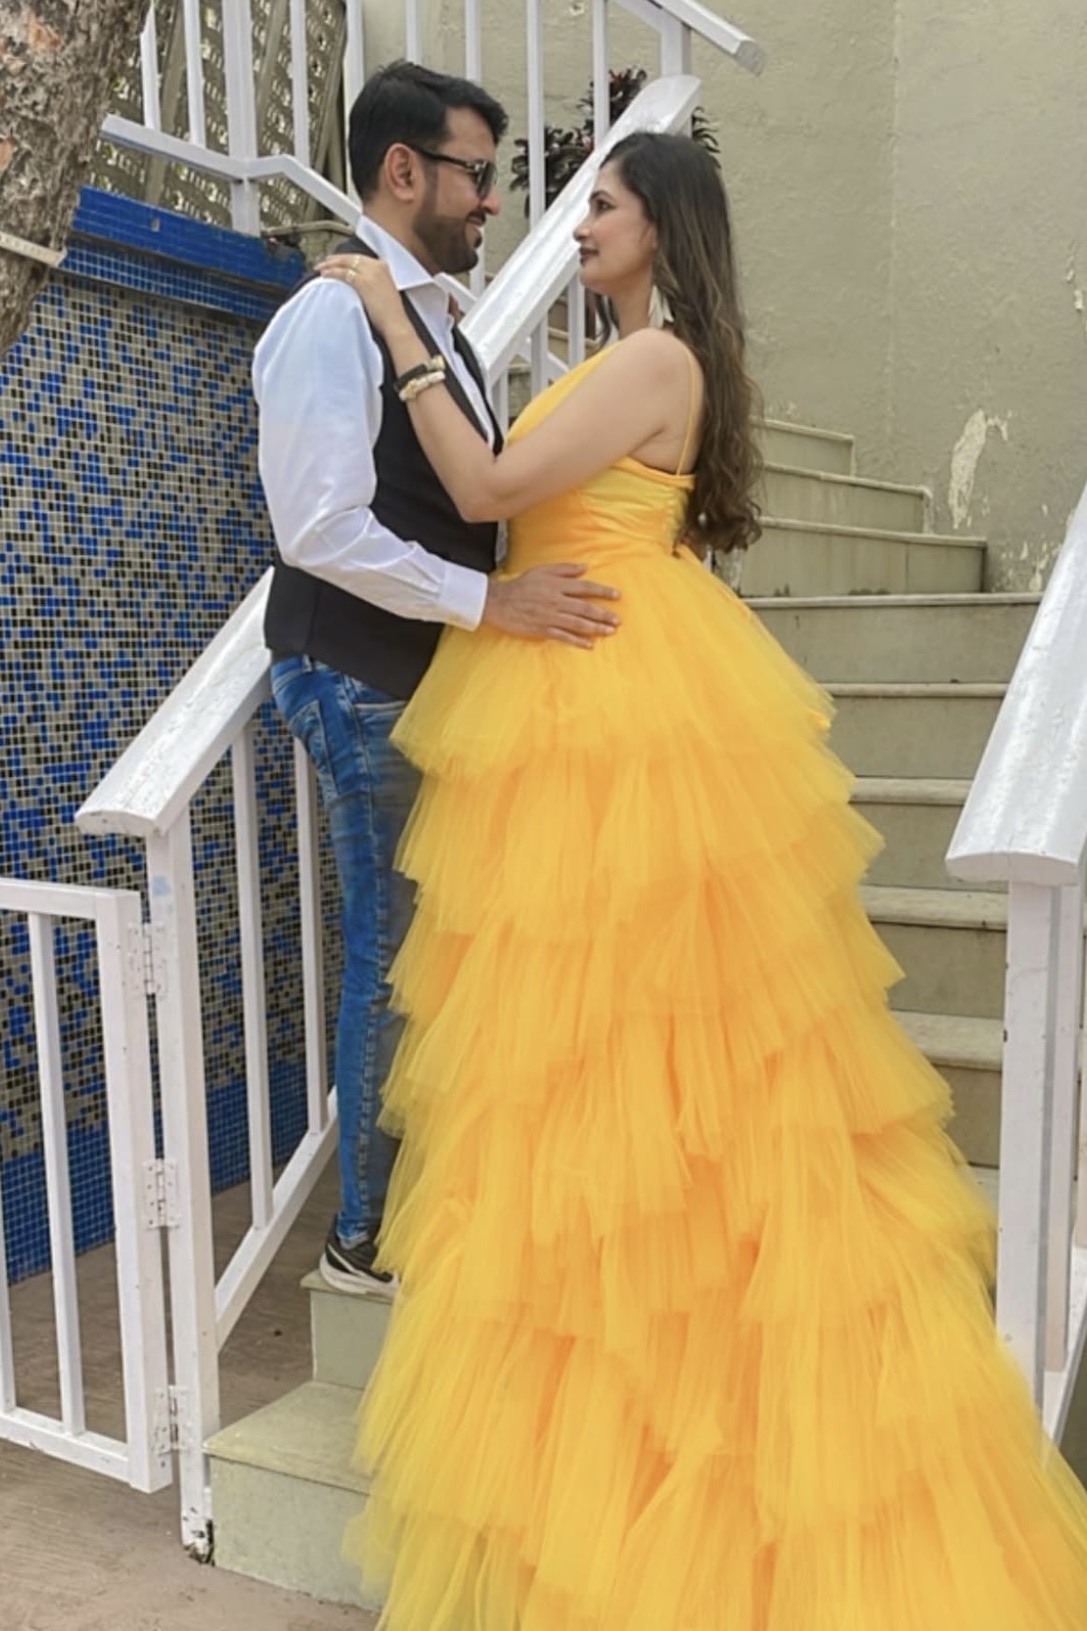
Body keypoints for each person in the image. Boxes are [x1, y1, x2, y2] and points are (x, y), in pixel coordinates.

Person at [320, 132, 1087, 1627]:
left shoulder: (656, 359)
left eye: (596, 203)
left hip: (618, 725)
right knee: (577, 1095)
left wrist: (385, 308)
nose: (573, 222)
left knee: (658, 1093)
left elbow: (478, 482)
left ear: (658, 226)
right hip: (581, 699)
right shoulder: (633, 357)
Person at [253, 62, 621, 1297]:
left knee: (425, 948)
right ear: (401, 169)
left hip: (408, 680)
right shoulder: (325, 317)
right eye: (477, 173)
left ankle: (411, 1204)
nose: (491, 202)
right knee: (392, 951)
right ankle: (364, 1236)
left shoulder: (427, 317)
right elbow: (319, 527)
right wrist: (490, 601)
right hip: (355, 679)